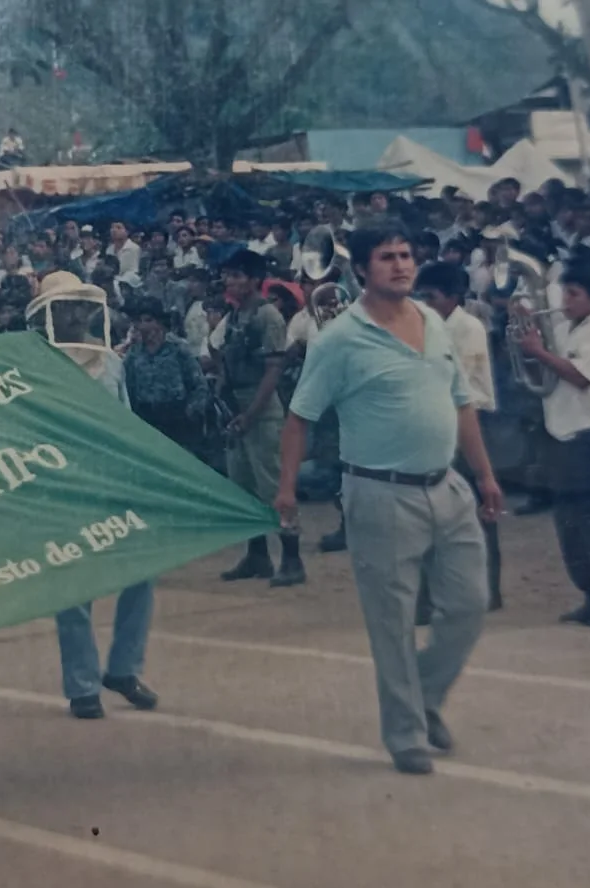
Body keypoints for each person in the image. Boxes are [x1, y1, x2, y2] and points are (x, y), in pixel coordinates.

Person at [275, 222, 504, 776]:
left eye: (406, 255)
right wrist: (285, 490)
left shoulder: (432, 321)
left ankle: (423, 699)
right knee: (393, 620)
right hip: (379, 493)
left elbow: (462, 403)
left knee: (470, 604)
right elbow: (300, 417)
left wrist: (485, 476)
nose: (401, 265)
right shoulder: (340, 339)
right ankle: (406, 735)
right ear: (362, 271)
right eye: (387, 257)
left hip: (446, 486)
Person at [31, 272, 159, 719]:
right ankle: (82, 685)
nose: (73, 313)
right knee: (74, 586)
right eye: (62, 306)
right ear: (46, 312)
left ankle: (123, 667)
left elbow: (126, 424)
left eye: (79, 304)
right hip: (63, 486)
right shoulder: (34, 364)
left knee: (143, 571)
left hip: (113, 482)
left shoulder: (112, 362)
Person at [514, 264, 590, 627]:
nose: (565, 301)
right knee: (572, 528)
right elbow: (548, 376)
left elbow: (580, 377)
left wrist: (538, 350)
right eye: (565, 293)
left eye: (574, 295)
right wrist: (529, 343)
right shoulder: (565, 327)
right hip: (564, 434)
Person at [212, 249, 302, 587]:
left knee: (273, 484)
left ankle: (292, 559)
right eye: (228, 274)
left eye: (237, 275)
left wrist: (251, 414)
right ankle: (257, 554)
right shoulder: (236, 316)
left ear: (253, 279)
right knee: (245, 486)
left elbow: (273, 370)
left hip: (261, 409)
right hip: (239, 405)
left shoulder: (268, 317)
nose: (229, 281)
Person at [416, 262, 502, 611]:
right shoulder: (428, 325)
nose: (425, 302)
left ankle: (487, 590)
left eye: (431, 296)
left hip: (470, 423)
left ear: (452, 297)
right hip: (438, 423)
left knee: (478, 512)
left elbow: (453, 381)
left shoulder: (469, 327)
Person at [124, 296, 210, 455]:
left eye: (148, 320)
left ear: (160, 323)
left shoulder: (179, 350)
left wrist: (191, 413)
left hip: (177, 420)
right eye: (139, 321)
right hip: (146, 419)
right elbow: (128, 388)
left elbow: (199, 386)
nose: (143, 326)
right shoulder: (133, 354)